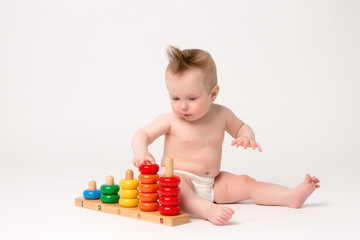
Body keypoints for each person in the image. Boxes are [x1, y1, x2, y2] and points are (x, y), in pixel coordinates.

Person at [131, 45, 320, 225]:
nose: (183, 105)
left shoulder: (222, 114)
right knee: (178, 189)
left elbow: (241, 127)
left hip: (212, 182)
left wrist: (246, 136)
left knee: (246, 183)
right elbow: (142, 134)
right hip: (179, 180)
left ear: (213, 94)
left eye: (192, 98)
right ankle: (206, 210)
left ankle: (289, 196)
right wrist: (141, 152)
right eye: (175, 98)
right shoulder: (170, 120)